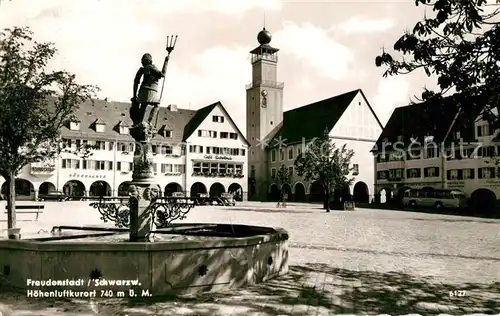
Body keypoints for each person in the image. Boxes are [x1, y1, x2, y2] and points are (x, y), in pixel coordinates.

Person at [130, 53, 169, 126]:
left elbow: (135, 82)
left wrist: (134, 96)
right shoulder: (152, 67)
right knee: (157, 105)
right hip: (151, 91)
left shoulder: (142, 69)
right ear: (150, 60)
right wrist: (166, 61)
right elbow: (163, 74)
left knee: (143, 106)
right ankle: (149, 121)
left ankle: (139, 122)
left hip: (142, 92)